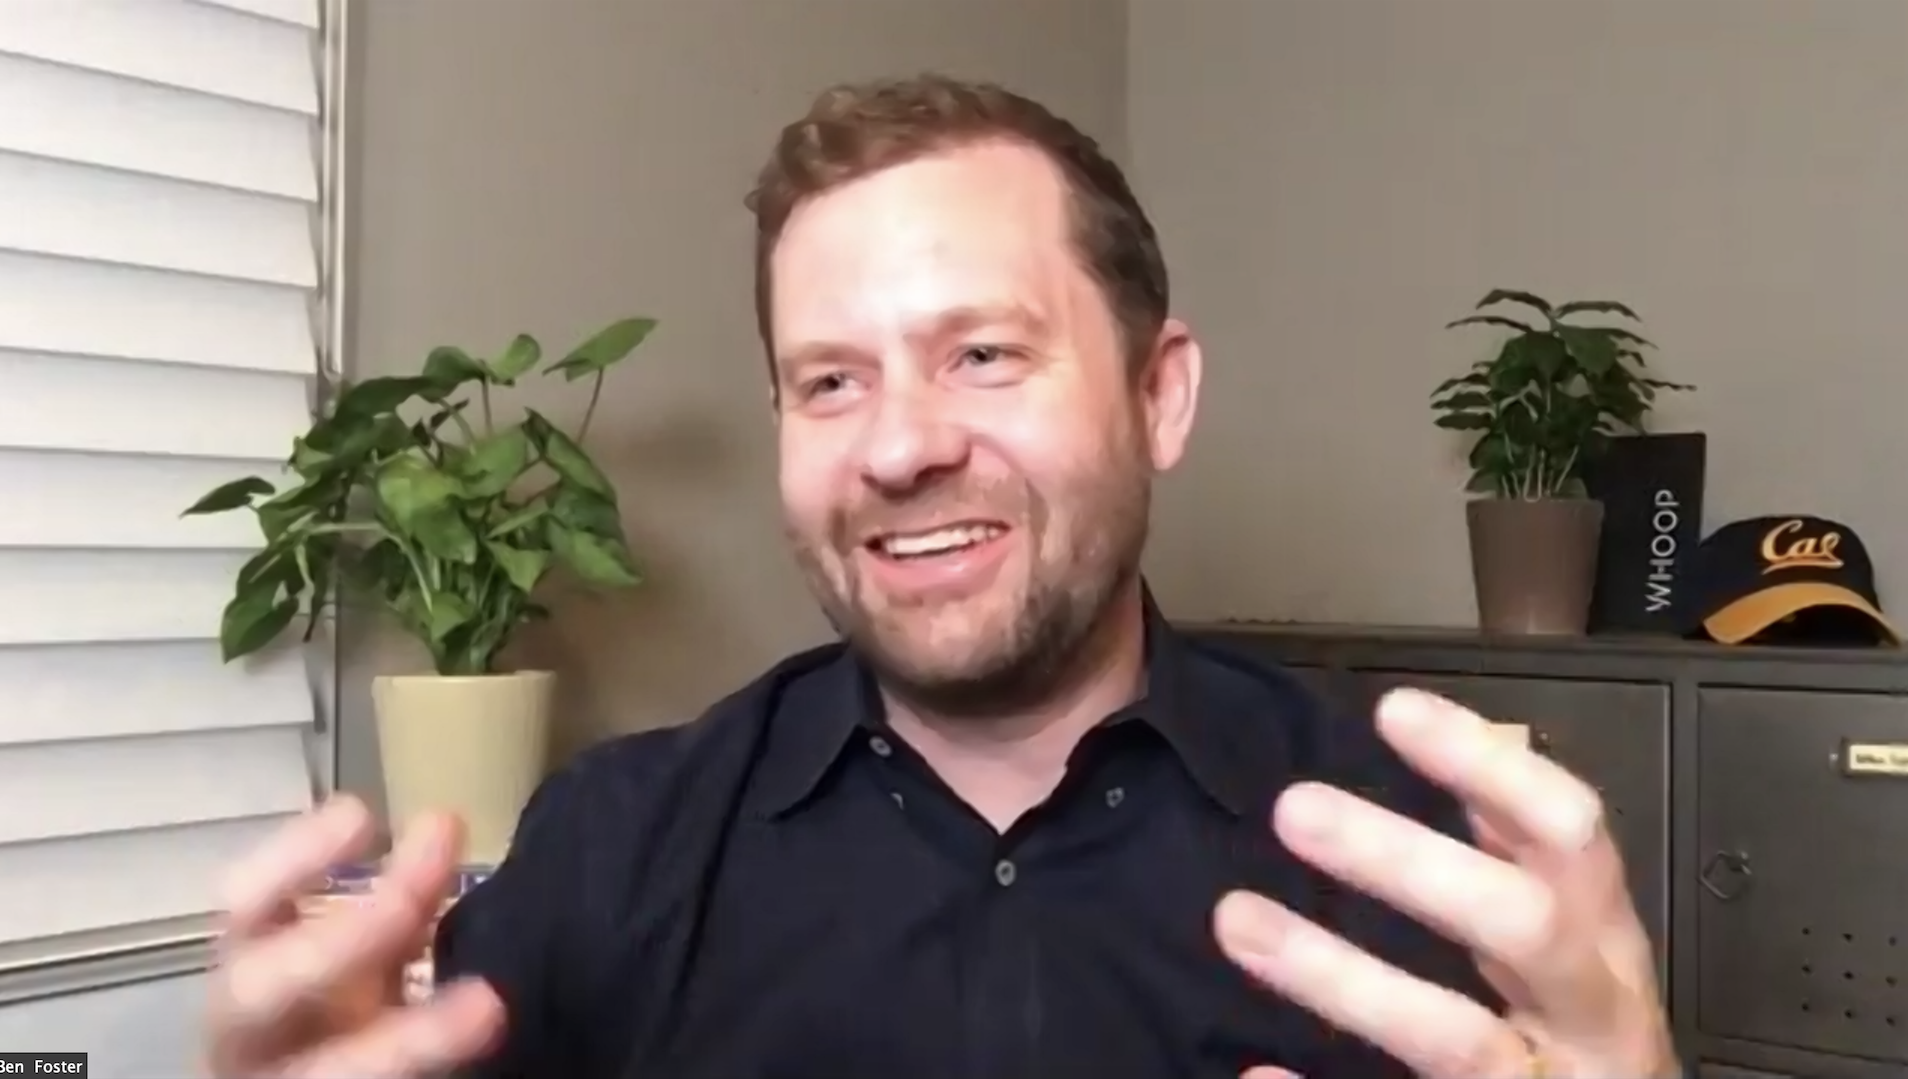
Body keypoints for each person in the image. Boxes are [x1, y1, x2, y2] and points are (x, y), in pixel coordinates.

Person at [202, 74, 1677, 1079]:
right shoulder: (611, 856)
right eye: (830, 379)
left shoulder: (1419, 857)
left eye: (983, 353)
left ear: (1158, 395)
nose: (902, 445)